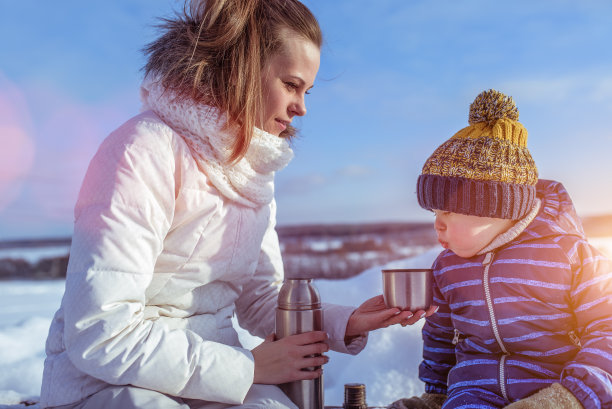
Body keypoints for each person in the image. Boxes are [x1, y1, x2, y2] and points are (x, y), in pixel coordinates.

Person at [39, 1, 434, 408]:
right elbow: (101, 331)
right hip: (109, 384)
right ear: (245, 68)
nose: (302, 107)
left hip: (211, 377)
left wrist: (347, 321)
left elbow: (258, 298)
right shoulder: (143, 150)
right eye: (292, 84)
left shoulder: (253, 168)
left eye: (307, 91)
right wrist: (246, 369)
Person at [389, 90, 612, 409]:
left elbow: (606, 329)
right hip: (475, 394)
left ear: (494, 209)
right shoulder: (447, 268)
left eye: (448, 212)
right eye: (433, 214)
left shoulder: (570, 257)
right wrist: (437, 394)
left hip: (559, 393)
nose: (438, 225)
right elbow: (440, 337)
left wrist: (571, 397)